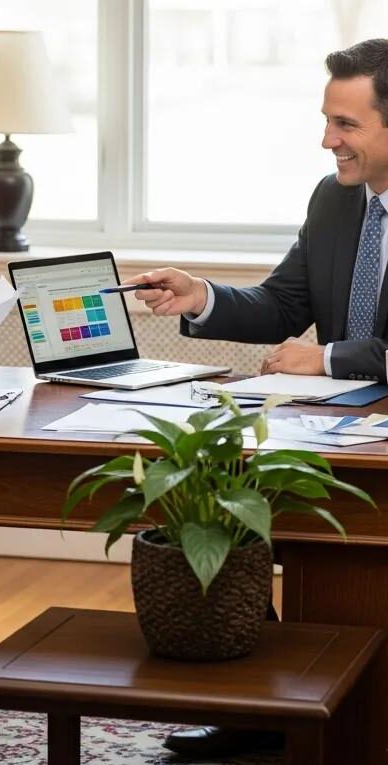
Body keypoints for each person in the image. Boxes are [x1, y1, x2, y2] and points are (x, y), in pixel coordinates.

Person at [124, 38, 388, 758]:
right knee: (216, 501)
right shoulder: (335, 200)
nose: (326, 139)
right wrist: (201, 295)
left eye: (346, 124)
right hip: (334, 430)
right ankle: (267, 708)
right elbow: (281, 304)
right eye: (327, 119)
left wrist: (327, 356)